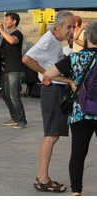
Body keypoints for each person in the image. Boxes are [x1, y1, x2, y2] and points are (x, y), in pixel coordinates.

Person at [22, 10, 75, 193]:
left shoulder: (56, 41)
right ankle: (42, 179)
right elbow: (27, 58)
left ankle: (43, 178)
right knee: (51, 135)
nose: (72, 30)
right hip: (52, 91)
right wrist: (44, 74)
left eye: (73, 27)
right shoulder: (47, 41)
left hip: (57, 90)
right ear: (57, 26)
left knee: (53, 135)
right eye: (69, 27)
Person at [43, 21, 97, 196]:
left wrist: (71, 81)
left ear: (87, 37)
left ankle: (76, 192)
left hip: (80, 112)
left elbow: (48, 74)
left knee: (78, 153)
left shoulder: (75, 58)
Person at [0, 12, 27, 129]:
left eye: (7, 20)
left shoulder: (17, 33)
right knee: (5, 95)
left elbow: (12, 41)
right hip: (7, 69)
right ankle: (14, 117)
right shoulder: (6, 35)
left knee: (14, 95)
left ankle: (22, 120)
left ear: (14, 21)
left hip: (15, 69)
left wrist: (1, 30)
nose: (5, 22)